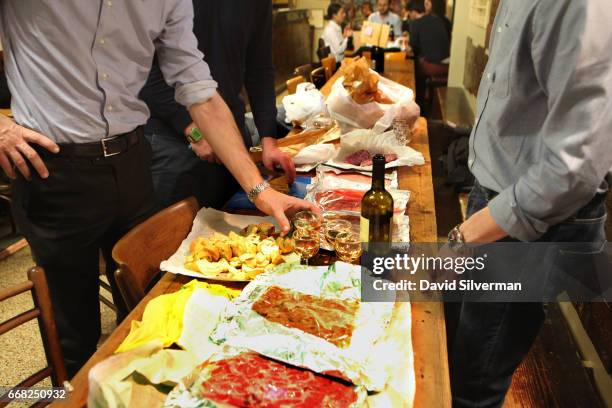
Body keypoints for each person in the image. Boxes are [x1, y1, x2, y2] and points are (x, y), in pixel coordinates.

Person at [0, 0, 316, 377]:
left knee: (147, 317)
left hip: (133, 162)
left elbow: (198, 90)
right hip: (54, 169)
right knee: (74, 340)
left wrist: (259, 190)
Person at [446, 0, 611, 406]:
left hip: (525, 221)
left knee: (475, 380)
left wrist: (467, 233)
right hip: (496, 202)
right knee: (456, 348)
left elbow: (574, 168)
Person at [140, 0, 295, 209]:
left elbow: (260, 67)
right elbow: (145, 69)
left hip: (232, 134)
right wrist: (192, 128)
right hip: (172, 139)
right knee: (176, 236)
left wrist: (269, 140)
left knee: (242, 229)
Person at [406, 0, 450, 106]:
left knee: (414, 66)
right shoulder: (441, 20)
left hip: (434, 66)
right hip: (448, 64)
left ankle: (418, 103)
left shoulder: (416, 23)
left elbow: (413, 47)